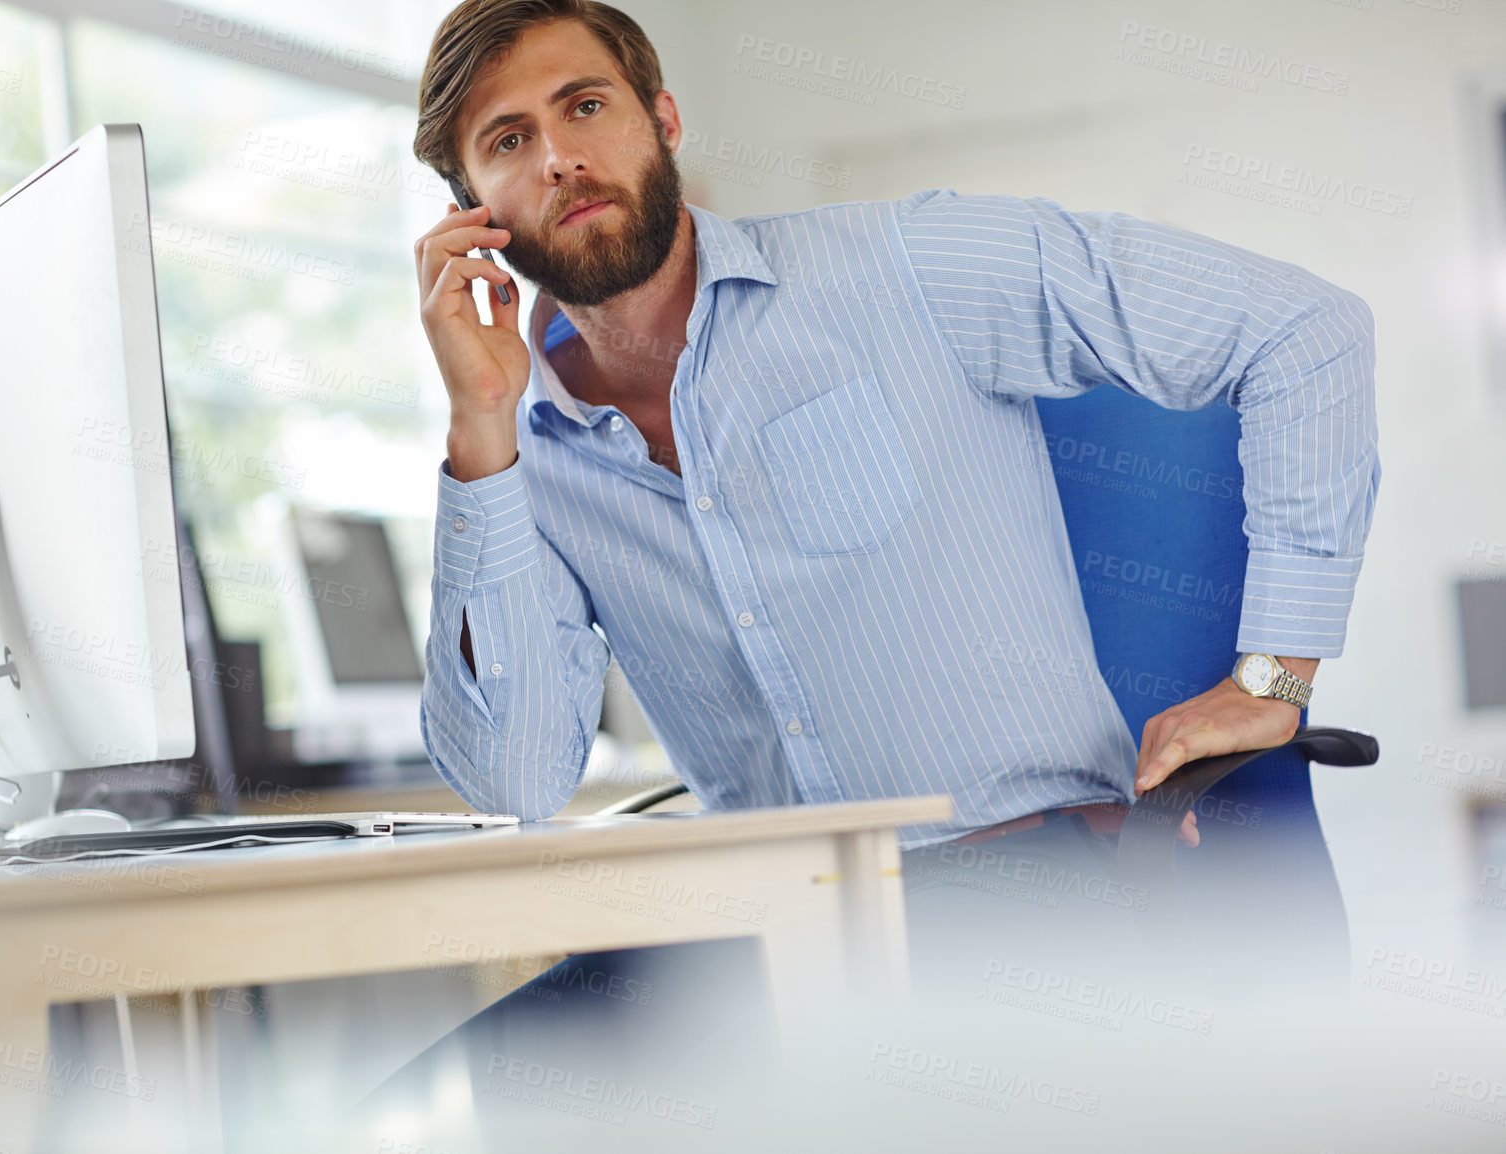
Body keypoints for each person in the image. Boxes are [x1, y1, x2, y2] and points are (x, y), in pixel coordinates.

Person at [371, 0, 1378, 1141]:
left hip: (1016, 886)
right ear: (470, 215)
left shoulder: (911, 265)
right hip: (762, 933)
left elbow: (1307, 331)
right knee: (422, 1123)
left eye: (584, 106)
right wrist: (482, 432)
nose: (557, 155)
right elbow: (514, 783)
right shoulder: (521, 459)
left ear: (661, 117)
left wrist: (1272, 677)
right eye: (506, 141)